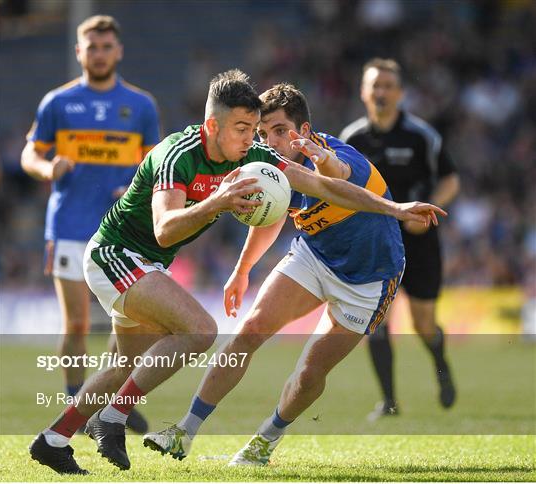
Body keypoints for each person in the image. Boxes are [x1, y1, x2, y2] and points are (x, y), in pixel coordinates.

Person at [28, 70, 445, 475]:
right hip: (116, 256)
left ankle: (53, 440)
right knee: (201, 330)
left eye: (258, 130)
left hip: (364, 274)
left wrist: (394, 207)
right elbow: (164, 228)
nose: (254, 141)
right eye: (246, 129)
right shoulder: (178, 153)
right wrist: (220, 205)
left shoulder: (259, 158)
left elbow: (328, 184)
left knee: (123, 367)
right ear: (213, 125)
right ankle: (116, 417)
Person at [140, 83, 447, 466]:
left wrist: (331, 166)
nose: (271, 141)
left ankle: (266, 440)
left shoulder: (335, 153)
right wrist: (242, 270)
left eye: (281, 131)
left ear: (303, 130)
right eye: (262, 133)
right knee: (250, 330)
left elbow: (337, 174)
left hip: (369, 279)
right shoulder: (270, 165)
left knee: (308, 375)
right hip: (315, 257)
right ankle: (184, 431)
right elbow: (270, 218)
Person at [21, 15, 159, 433]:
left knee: (127, 322)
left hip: (122, 230)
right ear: (78, 52)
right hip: (69, 226)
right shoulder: (57, 103)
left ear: (118, 51)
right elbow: (30, 155)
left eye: (105, 47)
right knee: (77, 324)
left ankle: (108, 398)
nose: (98, 54)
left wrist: (136, 189)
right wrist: (48, 169)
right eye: (91, 47)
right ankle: (75, 404)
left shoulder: (141, 106)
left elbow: (156, 166)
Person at [339, 58, 460, 420]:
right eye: (374, 85)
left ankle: (441, 364)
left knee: (424, 324)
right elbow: (338, 188)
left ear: (400, 93)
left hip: (419, 242)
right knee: (375, 321)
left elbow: (451, 179)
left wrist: (430, 209)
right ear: (363, 92)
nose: (381, 92)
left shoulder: (421, 136)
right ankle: (389, 402)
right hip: (375, 242)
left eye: (388, 86)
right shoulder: (352, 139)